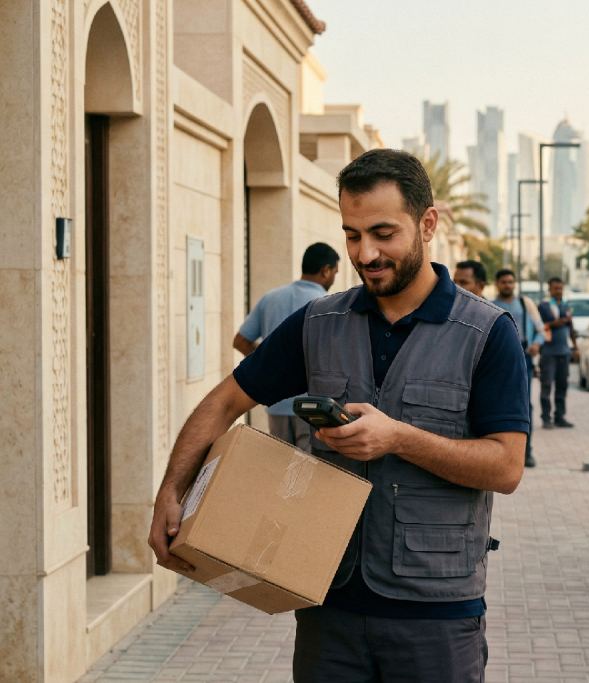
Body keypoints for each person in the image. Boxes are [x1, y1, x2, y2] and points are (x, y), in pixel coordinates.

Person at [149, 149, 529, 683]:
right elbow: (223, 402)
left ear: (427, 224)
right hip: (328, 609)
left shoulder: (488, 333)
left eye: (383, 234)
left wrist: (398, 438)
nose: (365, 253)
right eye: (352, 235)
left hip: (436, 617)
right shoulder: (318, 323)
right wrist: (172, 491)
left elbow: (506, 467)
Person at [232, 242, 340, 451]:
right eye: (335, 273)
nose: (333, 279)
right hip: (313, 407)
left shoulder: (270, 298)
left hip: (276, 403)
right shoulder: (329, 305)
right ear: (326, 270)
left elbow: (240, 341)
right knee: (307, 467)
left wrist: (270, 360)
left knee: (279, 465)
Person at [492, 268, 545, 467]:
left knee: (524, 405)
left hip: (523, 357)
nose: (508, 285)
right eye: (504, 282)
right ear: (497, 284)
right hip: (497, 358)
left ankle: (526, 452)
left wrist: (537, 343)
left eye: (510, 282)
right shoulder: (490, 305)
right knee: (496, 403)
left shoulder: (525, 304)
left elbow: (540, 330)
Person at [537, 277, 577, 429]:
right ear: (549, 289)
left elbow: (571, 327)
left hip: (564, 351)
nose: (558, 291)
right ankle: (546, 417)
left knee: (562, 386)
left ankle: (560, 416)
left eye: (560, 288)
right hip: (549, 352)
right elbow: (538, 326)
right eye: (555, 288)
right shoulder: (544, 306)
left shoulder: (566, 306)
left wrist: (575, 347)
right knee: (546, 386)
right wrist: (554, 324)